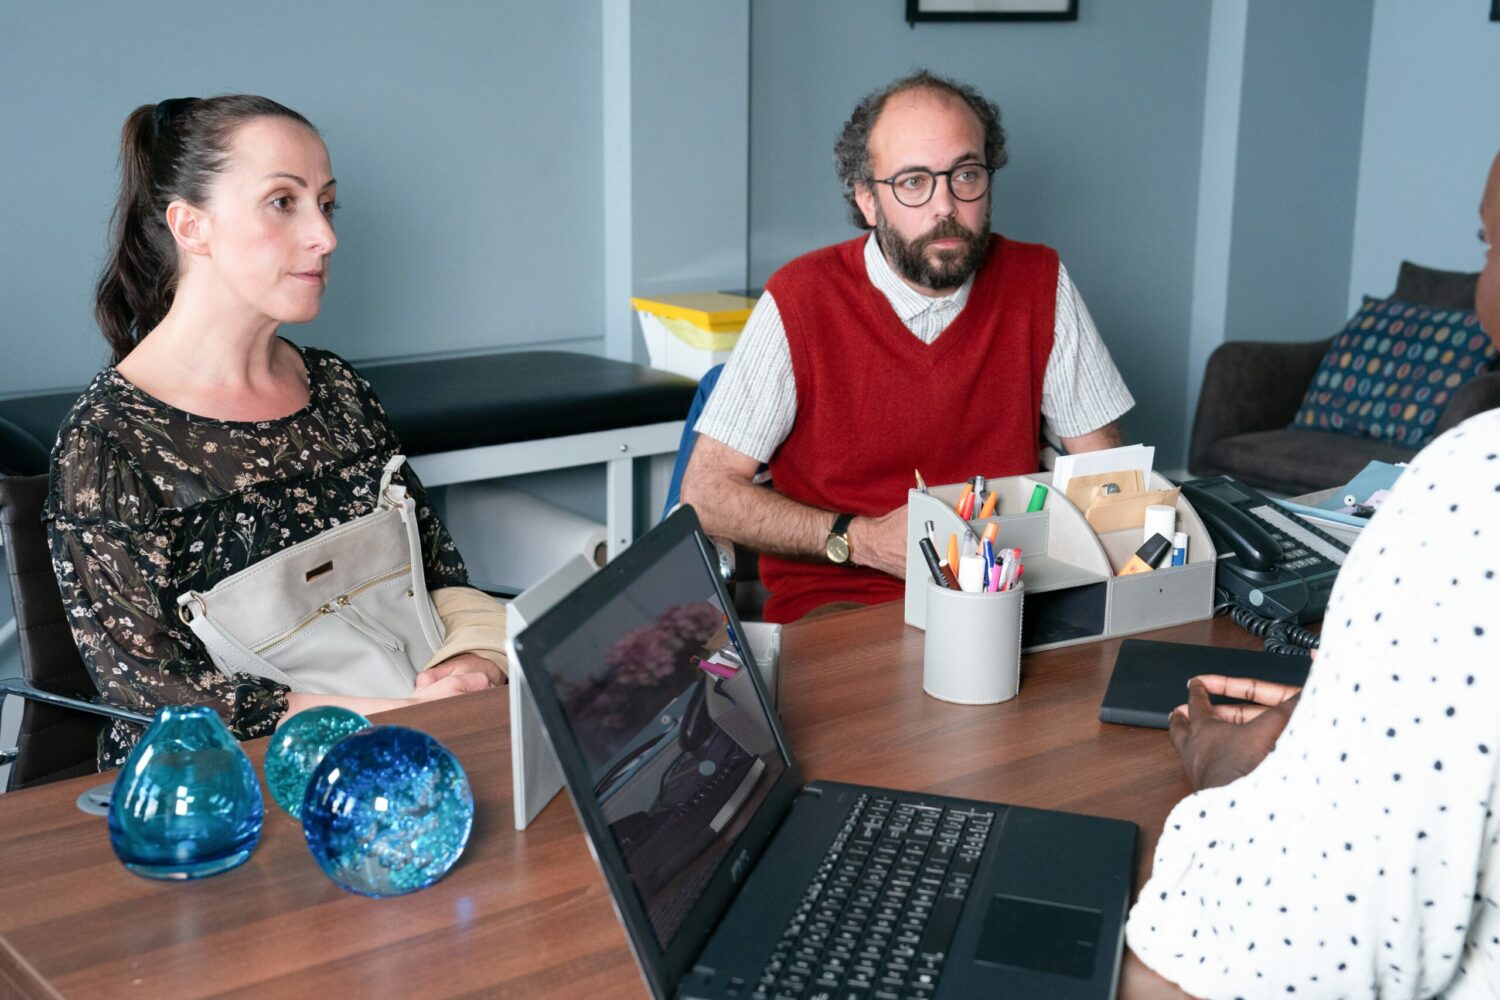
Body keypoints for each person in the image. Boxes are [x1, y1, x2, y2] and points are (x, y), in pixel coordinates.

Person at [1121, 152, 1500, 998]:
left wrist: (1224, 782)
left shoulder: (1472, 490)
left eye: (1488, 248)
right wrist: (1347, 724)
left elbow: (1302, 956)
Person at [47, 96, 507, 769]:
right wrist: (391, 717)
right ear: (191, 226)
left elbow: (437, 575)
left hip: (415, 739)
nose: (325, 236)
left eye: (326, 203)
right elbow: (159, 699)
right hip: (229, 794)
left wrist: (472, 668)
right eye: (283, 202)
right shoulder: (109, 442)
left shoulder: (339, 389)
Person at [681, 70, 1134, 623]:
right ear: (868, 199)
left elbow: (1108, 477)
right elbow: (705, 495)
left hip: (1009, 601)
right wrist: (862, 540)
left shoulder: (1039, 279)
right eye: (914, 182)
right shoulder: (801, 298)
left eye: (965, 175)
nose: (945, 205)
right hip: (847, 608)